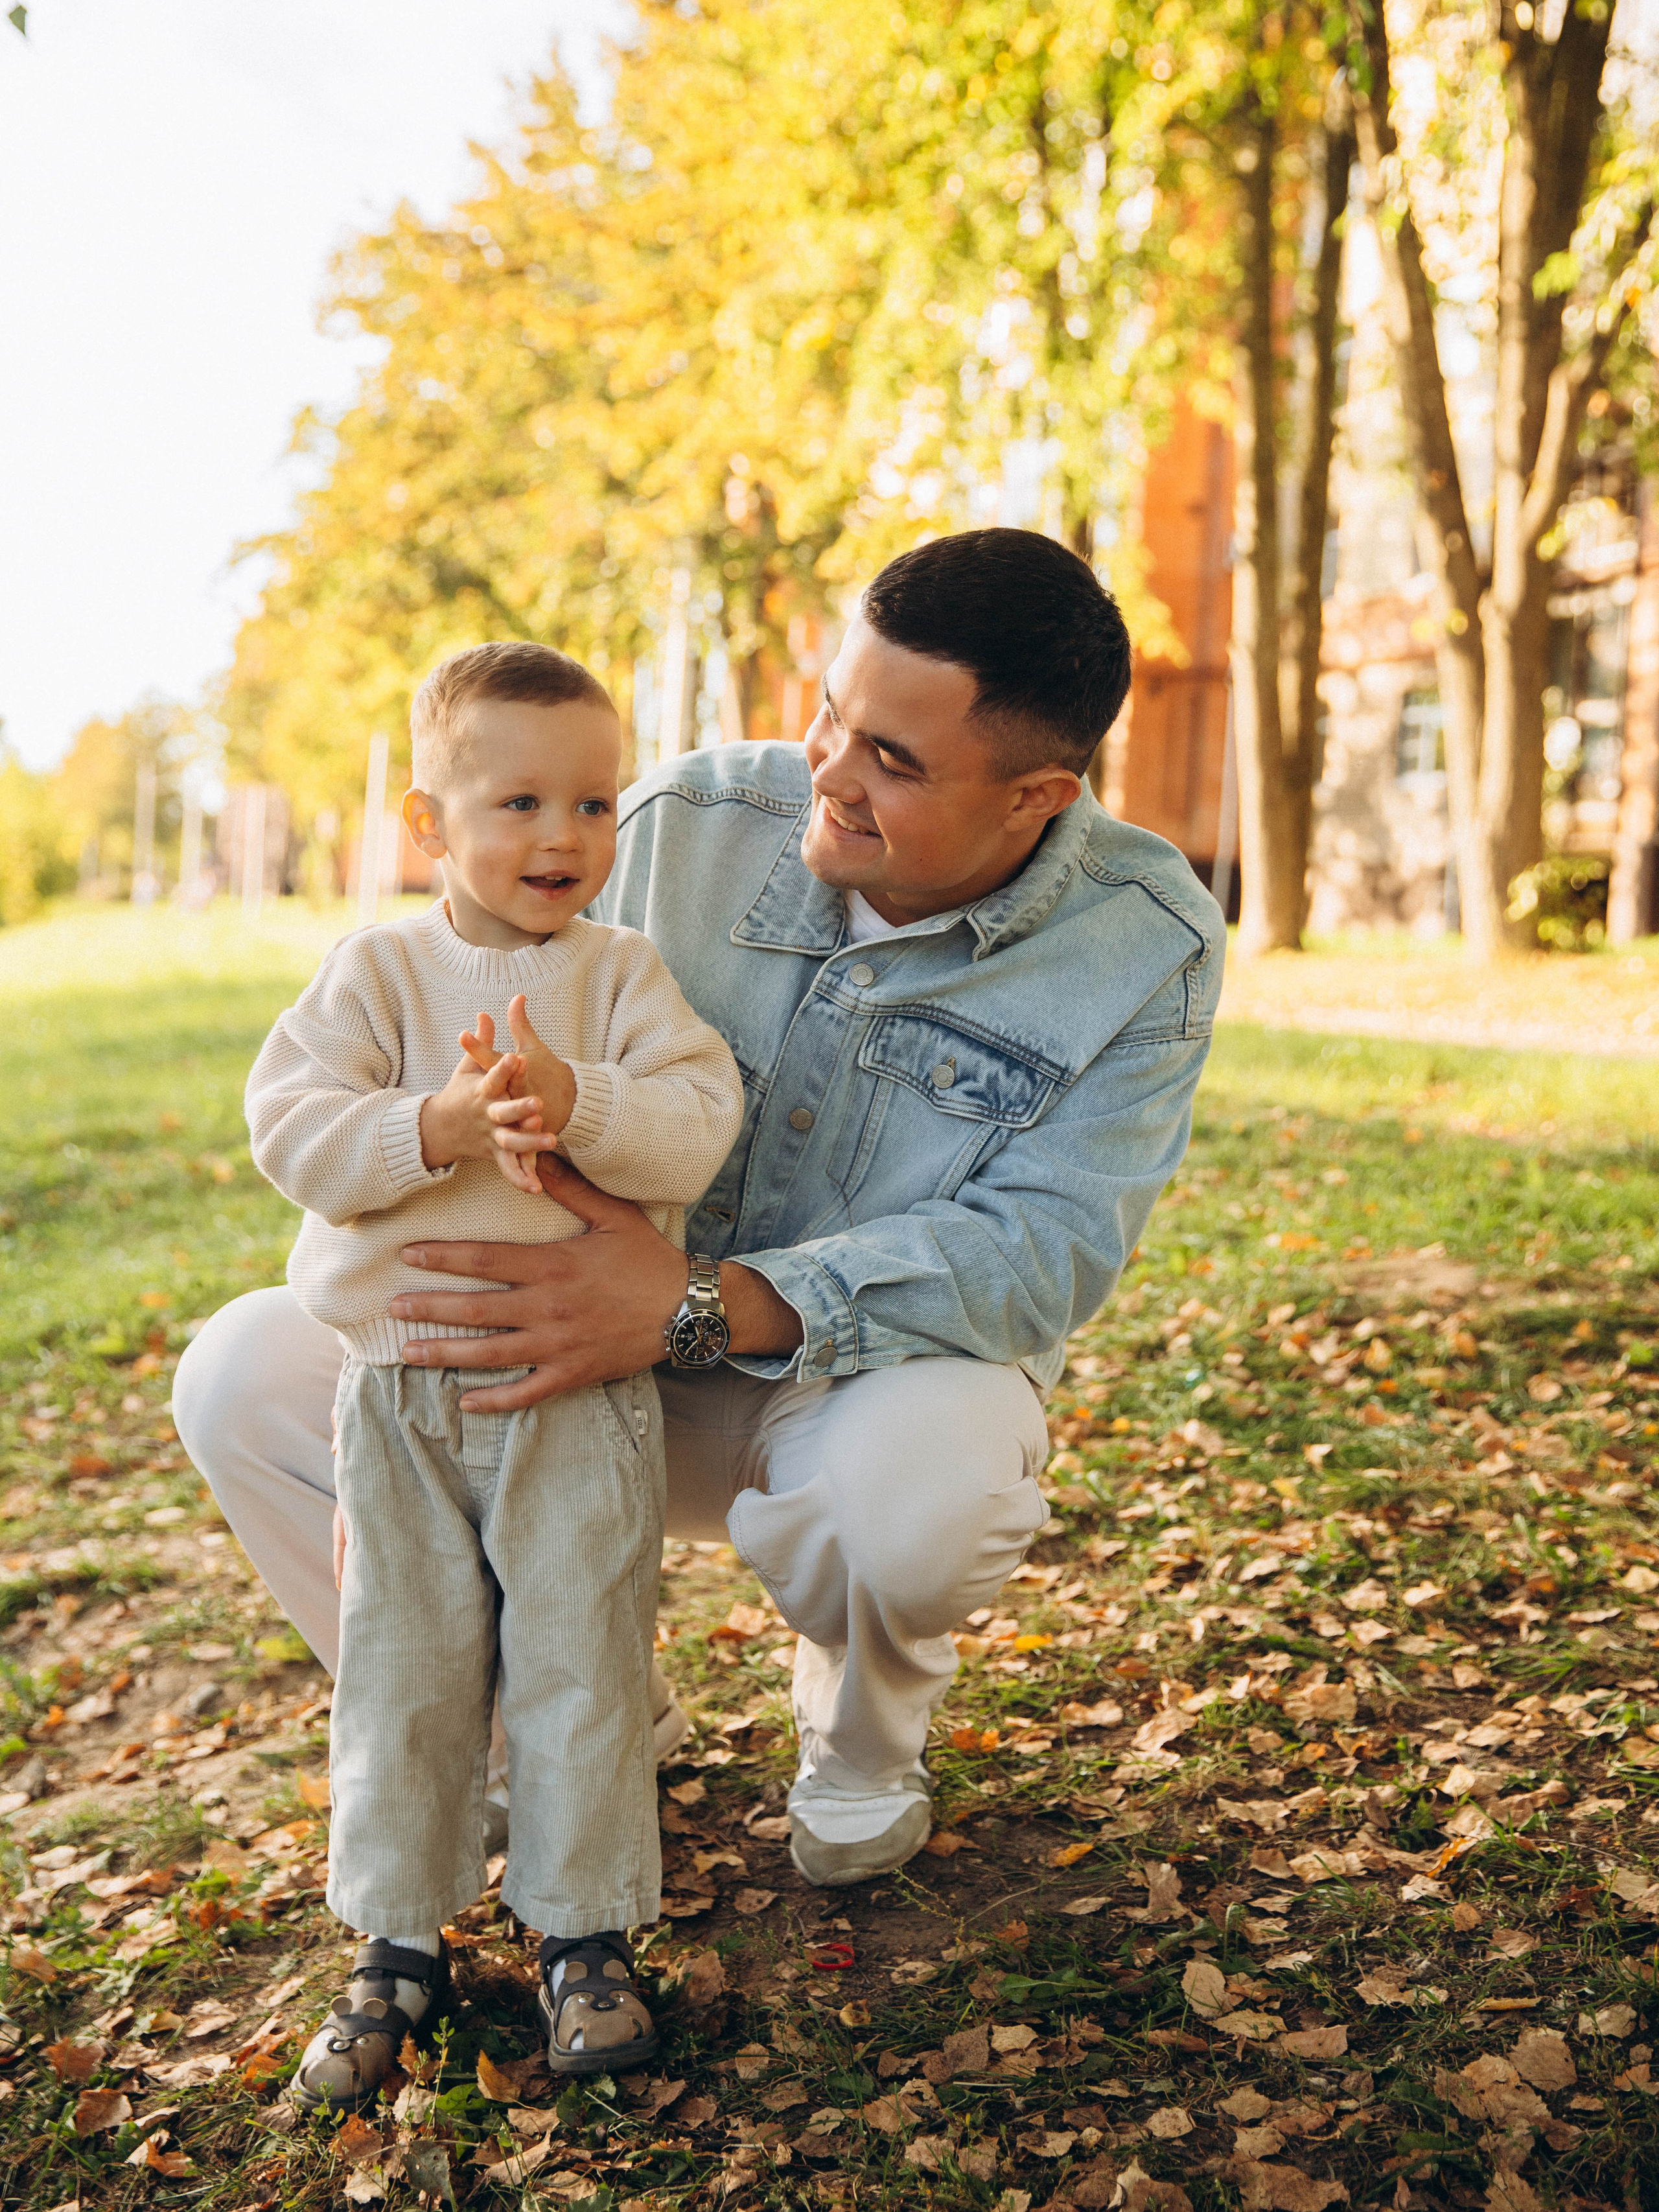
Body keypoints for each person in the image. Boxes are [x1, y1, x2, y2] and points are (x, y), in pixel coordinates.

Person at [176, 524, 1222, 1962]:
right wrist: (418, 1216)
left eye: (892, 763)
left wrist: (691, 1301)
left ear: (1036, 795)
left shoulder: (1139, 939)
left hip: (825, 1379)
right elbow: (445, 1000)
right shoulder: (675, 819)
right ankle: (547, 1708)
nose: (828, 772)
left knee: (928, 1482)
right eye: (831, 717)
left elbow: (1044, 1252)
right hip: (550, 1369)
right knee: (243, 1376)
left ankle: (861, 1735)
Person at [242, 641, 745, 2108]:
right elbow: (295, 1134)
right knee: (403, 1664)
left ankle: (583, 1931)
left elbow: (697, 1121)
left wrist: (581, 1099)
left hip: (575, 1398)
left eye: (593, 805)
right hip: (400, 1392)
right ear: (427, 823)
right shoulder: (377, 973)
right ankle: (396, 1935)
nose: (561, 838)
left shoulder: (621, 975)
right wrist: (440, 1128)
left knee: (584, 1655)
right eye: (520, 802)